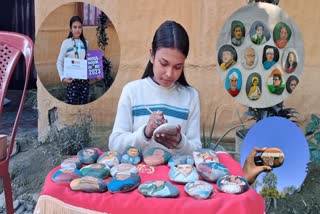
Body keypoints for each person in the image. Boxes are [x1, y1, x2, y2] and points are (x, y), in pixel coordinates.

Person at [109, 21, 201, 156]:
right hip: (138, 174)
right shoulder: (132, 91)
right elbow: (114, 145)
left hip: (175, 175)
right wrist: (145, 132)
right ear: (151, 55)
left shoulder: (190, 96)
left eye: (178, 67)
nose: (169, 73)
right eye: (164, 63)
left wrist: (181, 142)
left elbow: (197, 150)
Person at [56, 16, 89, 105]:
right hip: (72, 81)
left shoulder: (86, 43)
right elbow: (59, 62)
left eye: (79, 27)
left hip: (84, 82)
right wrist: (62, 77)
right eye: (75, 27)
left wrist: (95, 73)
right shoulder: (66, 43)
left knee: (83, 105)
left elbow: (87, 61)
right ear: (70, 29)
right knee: (72, 105)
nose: (77, 30)